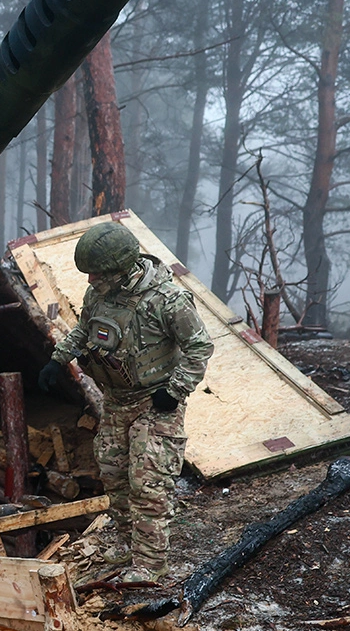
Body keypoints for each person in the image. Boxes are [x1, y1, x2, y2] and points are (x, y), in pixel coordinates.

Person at [38, 220, 213, 583]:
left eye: (97, 273)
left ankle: (149, 567)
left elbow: (200, 346)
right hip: (117, 400)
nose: (90, 281)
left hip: (156, 401)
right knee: (115, 478)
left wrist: (176, 391)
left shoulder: (167, 299)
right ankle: (124, 548)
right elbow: (85, 330)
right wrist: (59, 358)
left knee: (148, 483)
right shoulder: (101, 294)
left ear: (121, 267)